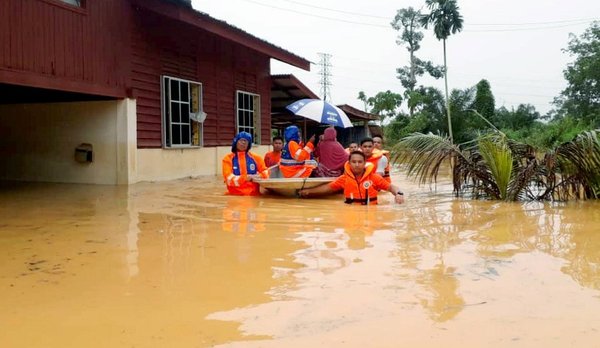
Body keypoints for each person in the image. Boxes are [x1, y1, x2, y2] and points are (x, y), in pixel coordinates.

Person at [299, 151, 405, 205]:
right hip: (350, 212)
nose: (357, 164)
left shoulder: (374, 178)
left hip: (372, 212)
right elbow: (327, 188)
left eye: (360, 162)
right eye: (354, 162)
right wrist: (307, 192)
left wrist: (399, 194)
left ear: (364, 163)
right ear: (349, 163)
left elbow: (391, 187)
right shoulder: (344, 179)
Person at [222, 131, 269, 196]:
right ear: (236, 142)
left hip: (254, 197)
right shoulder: (228, 159)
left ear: (248, 145)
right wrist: (245, 178)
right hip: (235, 196)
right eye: (241, 140)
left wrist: (258, 176)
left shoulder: (256, 158)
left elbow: (266, 172)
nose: (243, 143)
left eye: (246, 141)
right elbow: (228, 179)